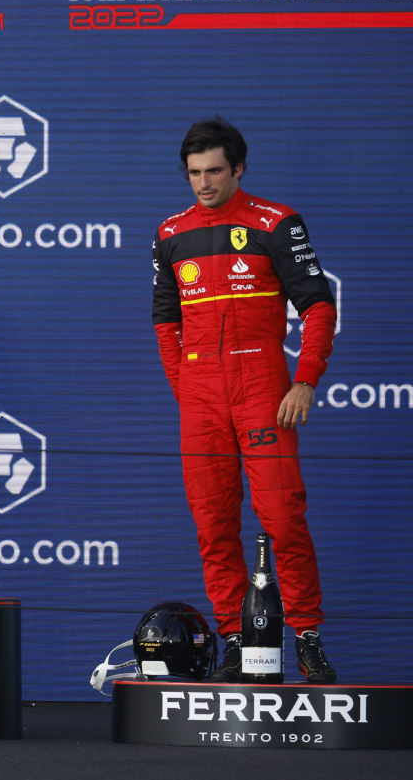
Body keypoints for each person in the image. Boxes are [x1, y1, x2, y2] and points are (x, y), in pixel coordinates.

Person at [152, 117, 338, 683]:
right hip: (201, 399)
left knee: (283, 519)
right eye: (193, 174)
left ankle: (306, 634)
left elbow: (318, 307)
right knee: (212, 525)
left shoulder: (277, 222)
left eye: (213, 171)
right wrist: (187, 392)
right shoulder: (170, 233)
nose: (203, 184)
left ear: (238, 168)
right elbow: (165, 323)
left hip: (263, 389)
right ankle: (234, 637)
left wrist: (303, 380)